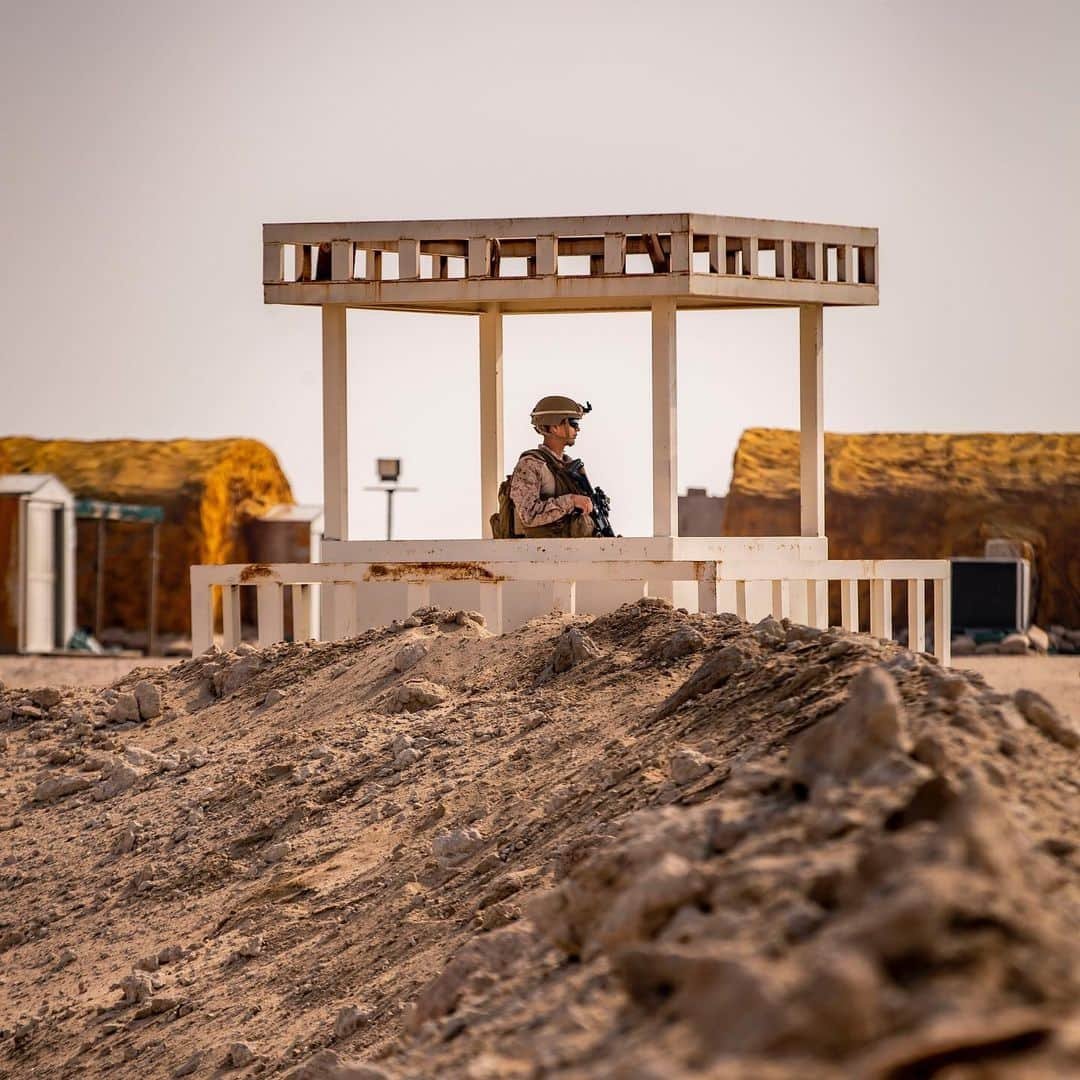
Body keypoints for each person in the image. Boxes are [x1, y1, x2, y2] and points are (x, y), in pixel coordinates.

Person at [508, 396, 598, 538]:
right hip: (540, 553)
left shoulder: (572, 467)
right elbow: (528, 514)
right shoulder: (531, 464)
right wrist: (572, 501)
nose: (578, 429)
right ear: (554, 427)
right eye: (573, 423)